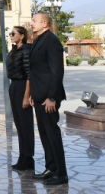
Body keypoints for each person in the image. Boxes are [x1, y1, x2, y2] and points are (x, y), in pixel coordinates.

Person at [29, 13, 68, 185]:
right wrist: (33, 94)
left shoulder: (51, 40)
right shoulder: (39, 39)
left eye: (34, 21)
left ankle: (61, 173)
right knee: (44, 134)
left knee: (52, 134)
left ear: (45, 23)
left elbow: (56, 71)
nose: (31, 23)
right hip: (39, 96)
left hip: (49, 97)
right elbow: (37, 71)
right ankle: (51, 168)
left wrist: (52, 97)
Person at [7, 25, 34, 171]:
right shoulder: (14, 50)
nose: (10, 35)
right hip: (15, 87)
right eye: (10, 33)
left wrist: (26, 96)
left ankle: (28, 158)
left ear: (22, 36)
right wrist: (12, 94)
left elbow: (29, 75)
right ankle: (22, 156)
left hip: (23, 87)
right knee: (19, 125)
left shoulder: (26, 51)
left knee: (26, 125)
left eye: (13, 33)